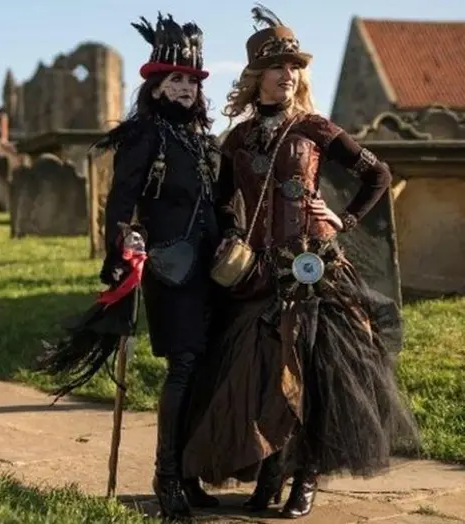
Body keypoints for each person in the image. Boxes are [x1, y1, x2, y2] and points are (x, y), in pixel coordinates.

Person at [181, 5, 420, 519]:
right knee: (262, 375)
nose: (288, 75)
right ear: (257, 77)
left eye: (294, 67)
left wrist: (341, 219)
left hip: (314, 266)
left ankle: (305, 479)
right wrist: (231, 237)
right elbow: (226, 200)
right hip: (260, 271)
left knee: (314, 375)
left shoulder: (315, 128)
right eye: (278, 67)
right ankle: (270, 471)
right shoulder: (239, 139)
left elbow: (378, 175)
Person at [96, 12, 221, 520]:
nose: (186, 88)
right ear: (154, 84)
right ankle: (166, 476)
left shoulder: (201, 140)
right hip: (170, 268)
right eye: (176, 79)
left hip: (214, 269)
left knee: (205, 369)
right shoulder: (143, 135)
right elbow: (120, 200)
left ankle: (189, 474)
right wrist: (117, 254)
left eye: (192, 80)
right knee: (184, 366)